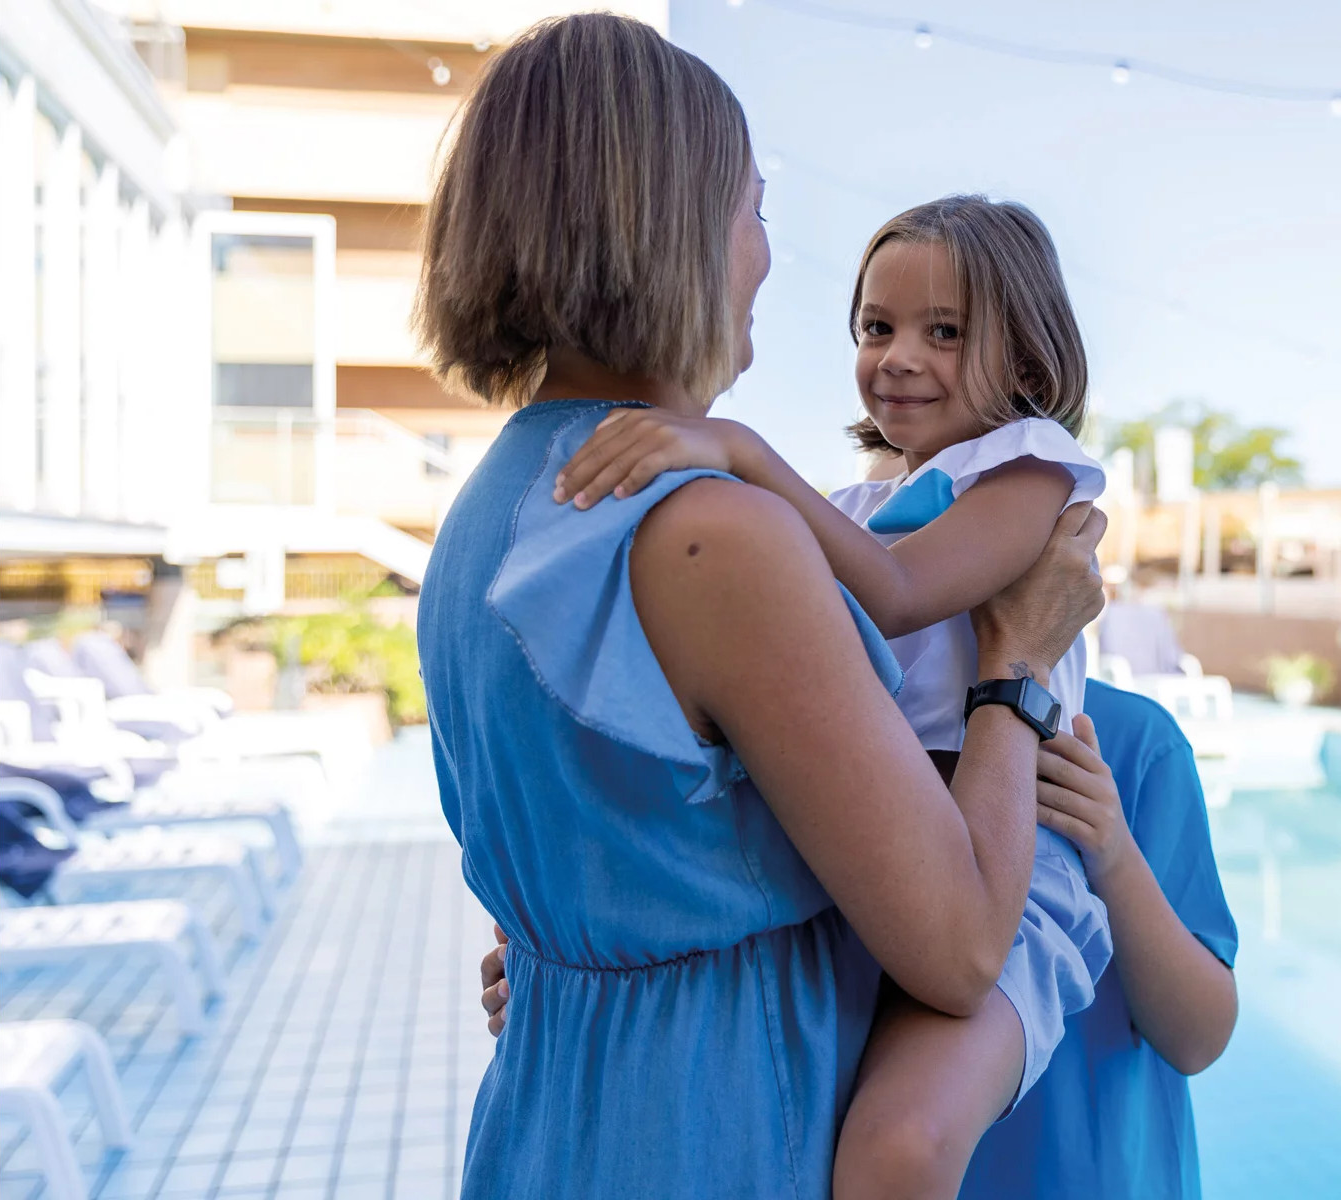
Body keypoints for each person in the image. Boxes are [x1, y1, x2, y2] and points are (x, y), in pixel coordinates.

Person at [414, 15, 1104, 1198]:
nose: (764, 257)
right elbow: (957, 951)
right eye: (752, 211)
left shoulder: (489, 509)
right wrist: (1018, 670)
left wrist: (563, 952)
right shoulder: (714, 534)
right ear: (668, 226)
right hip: (713, 1130)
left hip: (550, 1116)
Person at [545, 195, 1115, 1196]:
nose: (896, 356)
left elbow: (895, 597)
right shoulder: (858, 506)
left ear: (1026, 364)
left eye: (944, 332)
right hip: (872, 856)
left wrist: (741, 452)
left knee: (898, 1148)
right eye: (875, 327)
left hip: (1005, 871)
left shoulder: (1032, 473)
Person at [484, 679, 1240, 1198]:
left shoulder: (1125, 743)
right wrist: (564, 975)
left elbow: (1198, 1038)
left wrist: (1111, 851)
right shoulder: (820, 753)